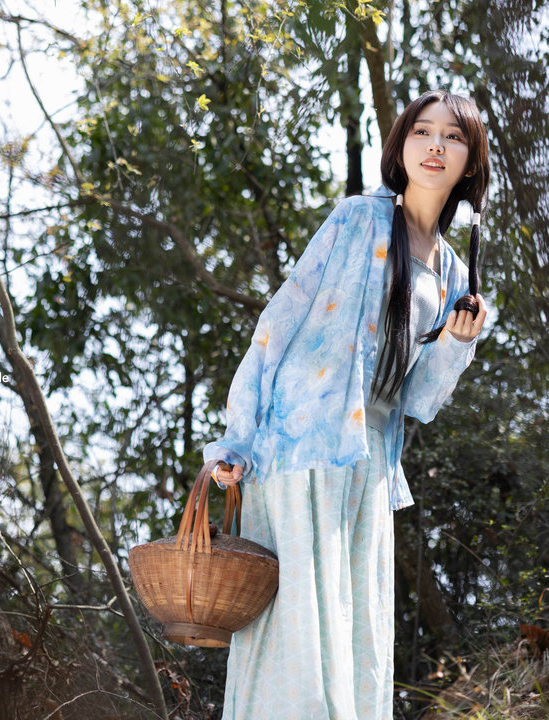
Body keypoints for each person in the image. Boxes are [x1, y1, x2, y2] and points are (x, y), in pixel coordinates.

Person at [204, 89, 490, 720]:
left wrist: (456, 344)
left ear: (470, 161)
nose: (435, 145)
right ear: (401, 146)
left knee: (354, 631)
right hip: (301, 443)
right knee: (297, 631)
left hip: (370, 461)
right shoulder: (359, 218)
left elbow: (417, 399)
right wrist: (239, 438)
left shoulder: (454, 273)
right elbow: (280, 320)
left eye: (453, 136)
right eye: (422, 131)